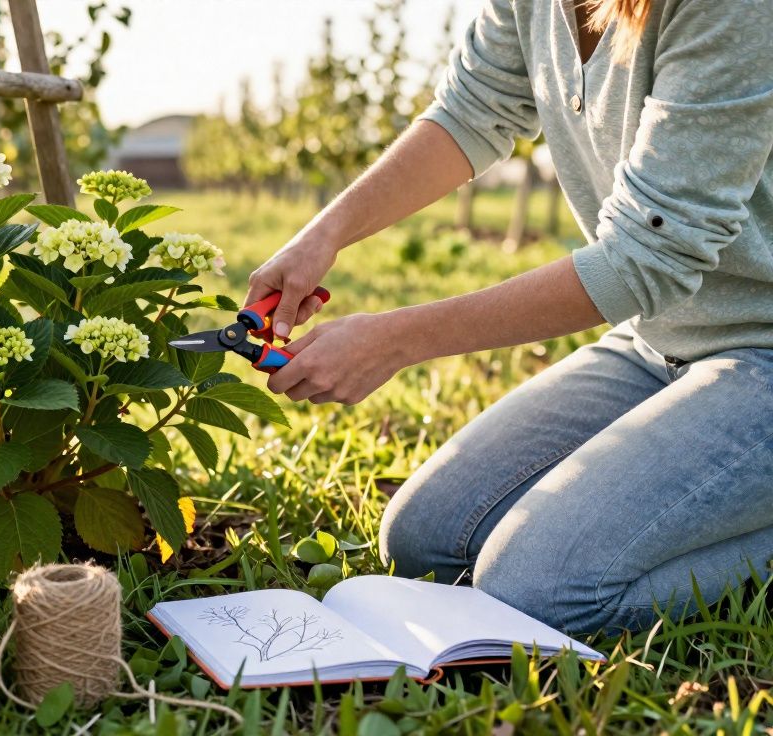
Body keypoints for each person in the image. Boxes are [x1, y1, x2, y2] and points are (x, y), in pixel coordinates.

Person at [247, 0, 773, 635]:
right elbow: (471, 110)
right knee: (426, 540)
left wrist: (393, 341)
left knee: (535, 594)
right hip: (657, 338)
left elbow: (647, 255)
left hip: (763, 348)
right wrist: (323, 235)